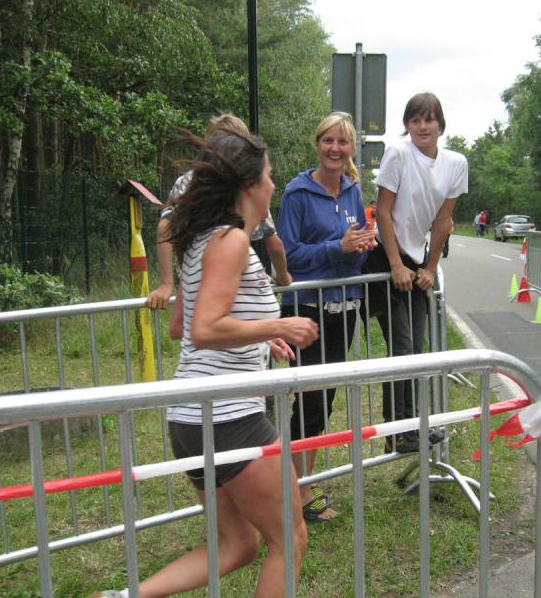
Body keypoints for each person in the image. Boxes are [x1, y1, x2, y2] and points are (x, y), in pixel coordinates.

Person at [95, 131, 319, 598]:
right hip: (229, 416)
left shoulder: (206, 241)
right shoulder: (230, 241)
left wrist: (262, 340)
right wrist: (279, 325)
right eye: (269, 176)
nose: (273, 185)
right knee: (290, 538)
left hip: (191, 417)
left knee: (237, 545)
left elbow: (183, 326)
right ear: (248, 185)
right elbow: (205, 329)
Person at [277, 112, 376, 522]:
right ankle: (298, 492)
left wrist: (363, 246)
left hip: (344, 306)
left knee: (324, 398)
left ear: (351, 148)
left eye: (343, 142)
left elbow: (355, 257)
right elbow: (287, 255)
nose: (335, 149)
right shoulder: (297, 193)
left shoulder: (353, 191)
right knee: (310, 401)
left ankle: (300, 483)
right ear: (317, 144)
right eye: (328, 141)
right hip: (305, 309)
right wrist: (338, 247)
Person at [363, 92, 468, 453]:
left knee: (417, 350)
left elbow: (443, 220)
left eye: (429, 119)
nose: (423, 127)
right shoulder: (398, 153)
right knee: (402, 347)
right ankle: (397, 432)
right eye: (415, 120)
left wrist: (430, 267)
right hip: (386, 257)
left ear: (440, 124)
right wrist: (396, 264)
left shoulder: (456, 163)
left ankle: (412, 427)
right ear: (407, 125)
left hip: (418, 259)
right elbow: (383, 211)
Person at [146, 114, 291, 310]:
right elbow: (273, 243)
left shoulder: (189, 180)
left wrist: (167, 283)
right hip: (231, 282)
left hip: (194, 281)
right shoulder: (247, 184)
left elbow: (165, 227)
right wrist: (283, 277)